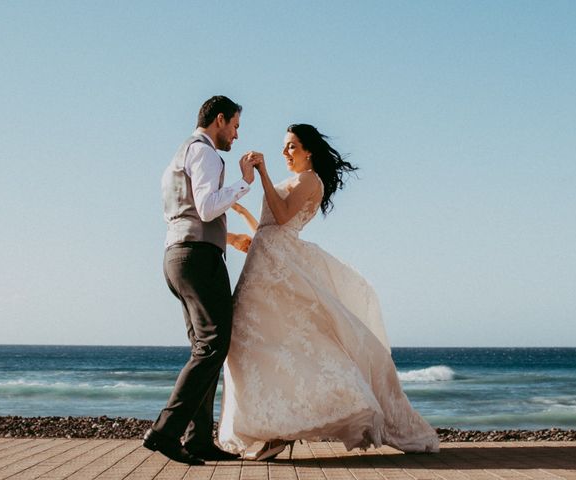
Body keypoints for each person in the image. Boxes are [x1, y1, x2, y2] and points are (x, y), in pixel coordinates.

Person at [218, 124, 440, 460]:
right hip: (265, 262)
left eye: (291, 147)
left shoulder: (310, 179)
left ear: (309, 151)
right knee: (257, 343)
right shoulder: (297, 180)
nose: (284, 153)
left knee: (267, 341)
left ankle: (282, 430)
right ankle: (275, 427)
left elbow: (281, 215)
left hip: (275, 266)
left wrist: (263, 173)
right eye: (284, 147)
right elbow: (268, 227)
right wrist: (246, 216)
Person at [143, 96, 258, 465]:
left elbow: (189, 211)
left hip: (176, 256)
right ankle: (166, 432)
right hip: (199, 259)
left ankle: (198, 441)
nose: (237, 135)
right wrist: (245, 182)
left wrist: (228, 237)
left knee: (203, 348)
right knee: (213, 346)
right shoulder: (207, 153)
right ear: (219, 120)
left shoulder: (179, 155)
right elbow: (208, 207)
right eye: (235, 126)